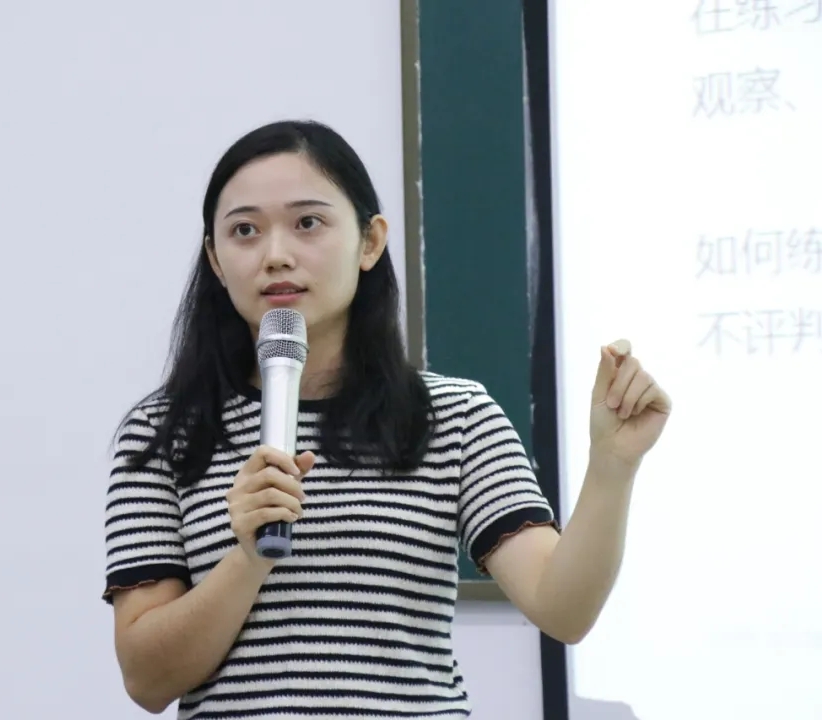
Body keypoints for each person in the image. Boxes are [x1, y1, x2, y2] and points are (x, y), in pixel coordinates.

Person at [102, 120, 671, 718]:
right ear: (216, 261)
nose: (275, 255)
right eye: (245, 231)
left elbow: (564, 609)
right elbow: (148, 679)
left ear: (370, 242)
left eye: (307, 223)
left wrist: (612, 466)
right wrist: (247, 558)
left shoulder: (453, 416)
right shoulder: (162, 434)